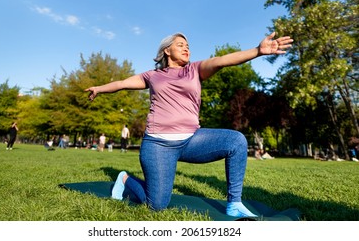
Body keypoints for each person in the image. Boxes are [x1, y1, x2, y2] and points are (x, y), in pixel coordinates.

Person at [85, 31, 293, 218]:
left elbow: (223, 60)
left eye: (188, 46)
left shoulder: (195, 70)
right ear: (167, 50)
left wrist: (258, 50)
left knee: (236, 141)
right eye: (180, 45)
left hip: (191, 140)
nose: (186, 48)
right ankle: (125, 179)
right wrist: (99, 88)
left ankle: (234, 203)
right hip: (158, 145)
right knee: (156, 205)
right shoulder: (153, 76)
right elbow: (122, 84)